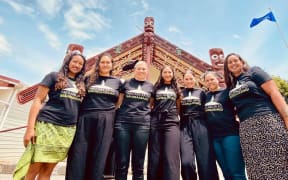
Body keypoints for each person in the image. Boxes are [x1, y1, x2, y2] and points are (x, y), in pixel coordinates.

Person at [13, 50, 86, 180]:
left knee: (48, 170)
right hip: (47, 125)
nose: (77, 65)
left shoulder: (81, 85)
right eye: (74, 61)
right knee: (34, 167)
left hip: (67, 130)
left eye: (80, 64)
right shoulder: (53, 76)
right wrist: (30, 129)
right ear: (68, 61)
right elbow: (37, 100)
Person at [224, 53, 288, 179]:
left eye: (235, 60)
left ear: (242, 62)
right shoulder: (231, 86)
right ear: (227, 68)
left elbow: (274, 92)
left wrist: (286, 117)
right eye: (229, 62)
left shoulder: (254, 72)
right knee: (256, 165)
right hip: (247, 128)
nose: (233, 63)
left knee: (278, 158)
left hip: (267, 120)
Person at [65, 53, 122, 180]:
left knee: (99, 153)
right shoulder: (88, 78)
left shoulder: (117, 82)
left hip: (106, 119)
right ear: (98, 64)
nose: (105, 64)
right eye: (103, 62)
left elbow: (119, 102)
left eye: (108, 62)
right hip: (86, 117)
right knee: (79, 152)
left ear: (112, 65)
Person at [114, 60, 154, 180]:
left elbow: (151, 105)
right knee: (122, 160)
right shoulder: (126, 83)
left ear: (147, 71)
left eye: (143, 69)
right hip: (123, 124)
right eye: (138, 68)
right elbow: (118, 103)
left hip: (142, 126)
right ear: (134, 70)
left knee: (139, 161)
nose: (141, 70)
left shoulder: (150, 86)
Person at [203, 71, 246, 180]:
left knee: (236, 172)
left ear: (218, 79)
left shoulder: (227, 92)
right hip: (215, 138)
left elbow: (240, 106)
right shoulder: (205, 97)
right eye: (207, 80)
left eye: (212, 79)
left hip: (230, 134)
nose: (210, 82)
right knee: (226, 172)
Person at [180, 70, 219, 180]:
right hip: (184, 126)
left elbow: (208, 108)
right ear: (183, 80)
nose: (188, 81)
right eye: (186, 79)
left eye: (191, 78)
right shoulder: (180, 93)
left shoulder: (202, 93)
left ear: (195, 79)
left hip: (201, 124)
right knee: (186, 161)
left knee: (205, 160)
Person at [148, 65, 182, 180]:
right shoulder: (156, 87)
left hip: (171, 122)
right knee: (155, 154)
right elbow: (150, 104)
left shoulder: (176, 89)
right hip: (156, 121)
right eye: (165, 72)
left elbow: (178, 107)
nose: (167, 74)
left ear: (173, 74)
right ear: (161, 74)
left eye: (169, 72)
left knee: (170, 154)